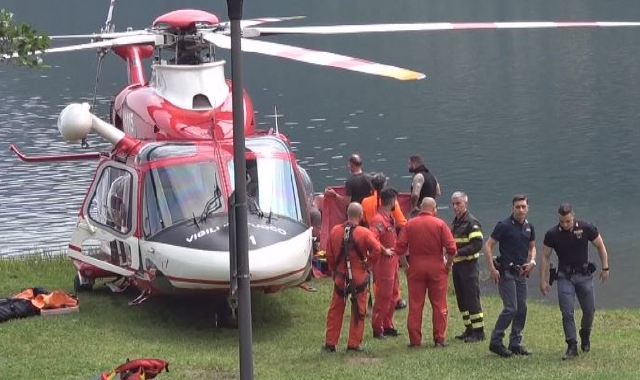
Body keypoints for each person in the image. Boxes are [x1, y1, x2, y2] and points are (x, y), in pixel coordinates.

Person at [539, 203, 610, 360]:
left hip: (584, 276)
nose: (565, 224)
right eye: (562, 221)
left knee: (589, 310)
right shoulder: (552, 234)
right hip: (565, 277)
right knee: (567, 312)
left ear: (573, 216)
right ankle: (572, 345)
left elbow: (600, 245)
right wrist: (543, 279)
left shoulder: (586, 228)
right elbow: (545, 256)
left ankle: (585, 333)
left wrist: (605, 268)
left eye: (568, 221)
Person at [395, 197, 457, 348]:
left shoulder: (410, 224)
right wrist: (448, 265)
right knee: (439, 304)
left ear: (421, 208)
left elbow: (400, 248)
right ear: (434, 208)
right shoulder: (440, 224)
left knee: (415, 305)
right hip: (437, 267)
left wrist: (406, 266)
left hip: (416, 266)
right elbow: (452, 249)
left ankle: (415, 341)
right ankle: (439, 339)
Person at [484, 194, 537, 358]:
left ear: (528, 208)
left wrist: (532, 262)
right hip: (506, 272)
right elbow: (487, 246)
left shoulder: (529, 227)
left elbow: (532, 247)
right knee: (511, 308)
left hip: (521, 273)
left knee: (522, 308)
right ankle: (496, 341)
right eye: (517, 207)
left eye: (523, 206)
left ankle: (515, 343)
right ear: (512, 208)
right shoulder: (504, 225)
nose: (521, 210)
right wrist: (492, 269)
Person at [324, 203, 381, 352]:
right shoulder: (364, 233)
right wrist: (368, 264)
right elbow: (376, 249)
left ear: (346, 214)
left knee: (335, 310)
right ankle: (353, 344)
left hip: (340, 277)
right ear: (361, 215)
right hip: (358, 277)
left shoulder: (335, 231)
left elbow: (329, 254)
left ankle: (330, 343)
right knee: (358, 310)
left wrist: (333, 270)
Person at [362, 173, 408, 310]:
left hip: (372, 239)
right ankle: (395, 299)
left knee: (377, 273)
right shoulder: (391, 201)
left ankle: (379, 298)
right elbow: (401, 222)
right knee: (392, 272)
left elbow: (364, 220)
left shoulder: (365, 202)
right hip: (387, 239)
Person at [450, 191, 485, 343]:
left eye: (458, 203)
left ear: (466, 204)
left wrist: (457, 253)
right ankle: (469, 328)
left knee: (472, 298)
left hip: (469, 265)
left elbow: (477, 245)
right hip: (457, 265)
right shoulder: (456, 222)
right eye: (453, 204)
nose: (455, 207)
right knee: (461, 298)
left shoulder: (472, 222)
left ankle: (479, 331)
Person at [369, 188, 401, 339]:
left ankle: (388, 324)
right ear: (392, 201)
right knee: (383, 296)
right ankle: (377, 327)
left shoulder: (389, 217)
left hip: (393, 261)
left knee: (394, 295)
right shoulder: (378, 220)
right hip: (384, 263)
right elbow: (372, 239)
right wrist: (384, 250)